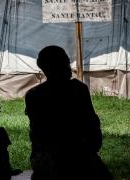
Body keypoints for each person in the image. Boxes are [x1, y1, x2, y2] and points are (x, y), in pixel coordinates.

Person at [25, 46, 112, 180]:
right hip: (74, 155)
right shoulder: (78, 89)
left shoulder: (34, 95)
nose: (69, 65)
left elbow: (37, 135)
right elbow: (92, 126)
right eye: (65, 62)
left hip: (50, 157)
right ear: (52, 67)